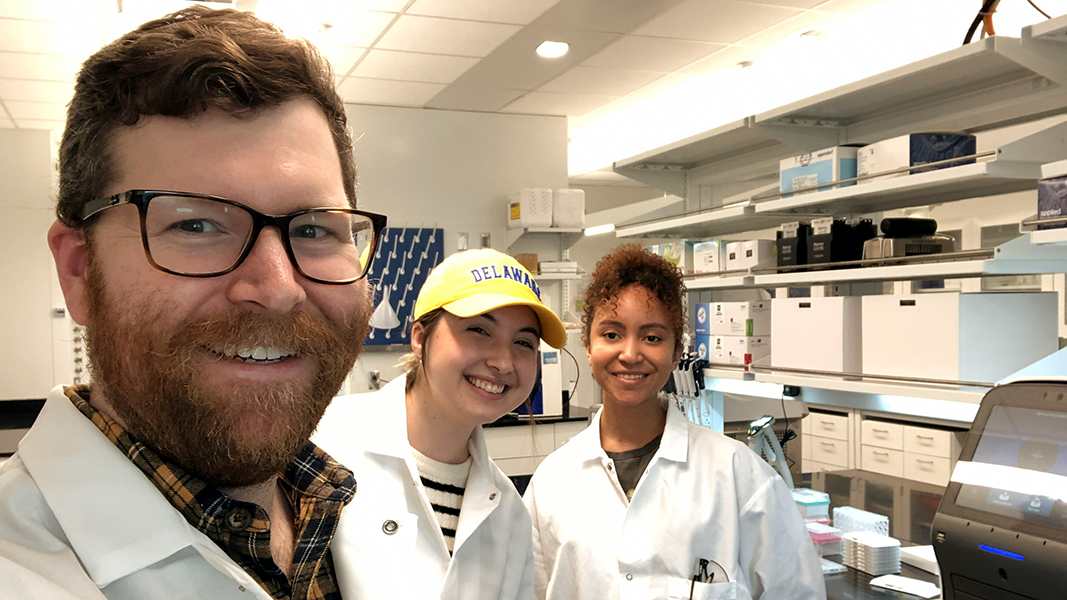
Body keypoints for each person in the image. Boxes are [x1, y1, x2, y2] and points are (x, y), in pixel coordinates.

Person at [0, 6, 386, 600]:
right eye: (198, 224)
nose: (279, 288)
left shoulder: (349, 506)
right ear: (78, 270)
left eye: (314, 230)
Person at [523, 244, 824, 600]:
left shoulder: (739, 476)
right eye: (611, 334)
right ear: (588, 346)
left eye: (652, 337)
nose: (630, 354)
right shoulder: (551, 483)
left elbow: (796, 593)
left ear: (677, 352)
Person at [312, 248, 567, 600]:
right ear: (420, 337)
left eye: (523, 343)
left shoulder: (508, 513)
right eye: (479, 330)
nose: (503, 362)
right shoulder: (323, 445)